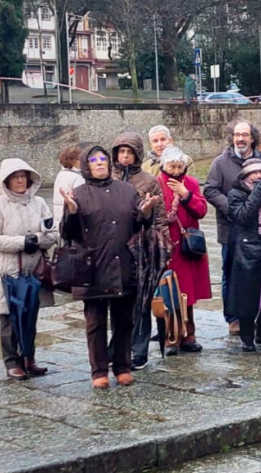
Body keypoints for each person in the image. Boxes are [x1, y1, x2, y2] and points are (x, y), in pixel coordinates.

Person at [60, 144, 160, 389]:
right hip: (92, 268)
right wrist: (71, 212)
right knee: (95, 323)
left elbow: (138, 225)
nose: (100, 163)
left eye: (103, 158)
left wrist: (145, 213)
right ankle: (99, 371)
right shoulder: (79, 193)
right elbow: (67, 233)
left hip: (124, 263)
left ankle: (123, 366)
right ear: (86, 165)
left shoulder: (126, 190)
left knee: (124, 320)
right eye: (94, 160)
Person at [0, 159, 58, 380]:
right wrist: (22, 242)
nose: (20, 180)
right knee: (9, 318)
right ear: (6, 181)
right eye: (15, 177)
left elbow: (52, 232)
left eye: (23, 176)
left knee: (30, 316)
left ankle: (28, 358)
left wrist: (40, 240)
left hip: (34, 270)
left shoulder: (39, 203)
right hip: (9, 272)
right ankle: (12, 362)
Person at [204, 120, 261, 334]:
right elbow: (210, 189)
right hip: (231, 229)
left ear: (252, 138)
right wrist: (234, 208)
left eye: (245, 134)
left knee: (259, 275)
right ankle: (233, 318)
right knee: (230, 273)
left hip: (259, 232)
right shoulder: (220, 162)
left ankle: (257, 316)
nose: (241, 139)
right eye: (237, 134)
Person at [110, 133, 168, 370]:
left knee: (142, 301)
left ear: (137, 154)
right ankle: (118, 348)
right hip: (115, 249)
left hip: (142, 248)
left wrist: (162, 244)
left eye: (129, 152)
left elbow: (161, 215)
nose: (125, 157)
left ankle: (139, 351)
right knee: (117, 303)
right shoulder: (108, 178)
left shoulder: (148, 180)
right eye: (121, 152)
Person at [225, 158, 261, 352]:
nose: (259, 176)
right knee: (247, 295)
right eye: (255, 172)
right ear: (246, 174)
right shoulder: (236, 193)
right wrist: (257, 194)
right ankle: (247, 337)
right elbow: (242, 216)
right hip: (246, 248)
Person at [158, 147, 211, 354]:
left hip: (188, 246)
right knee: (169, 293)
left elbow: (201, 210)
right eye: (172, 166)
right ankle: (172, 337)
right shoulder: (157, 182)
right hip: (167, 244)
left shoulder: (191, 183)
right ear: (164, 165)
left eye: (180, 166)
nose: (176, 170)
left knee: (188, 293)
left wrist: (186, 195)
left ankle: (189, 334)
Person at [53, 146, 85, 232]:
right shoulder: (77, 178)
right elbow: (82, 200)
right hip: (71, 219)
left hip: (60, 218)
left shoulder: (61, 174)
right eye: (80, 159)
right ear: (73, 161)